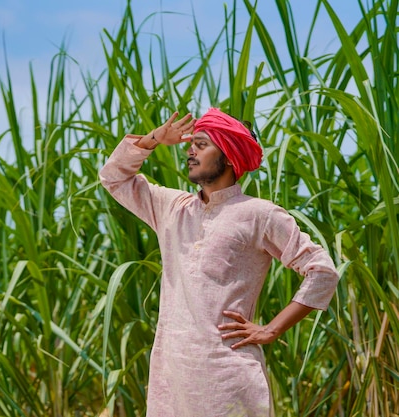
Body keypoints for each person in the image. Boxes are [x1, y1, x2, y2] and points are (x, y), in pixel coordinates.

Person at [99, 108, 339, 417]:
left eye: (201, 144)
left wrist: (271, 330)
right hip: (171, 382)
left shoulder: (259, 214)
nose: (190, 150)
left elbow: (322, 270)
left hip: (228, 380)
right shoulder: (172, 207)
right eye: (191, 143)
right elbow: (113, 177)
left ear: (227, 155)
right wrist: (155, 138)